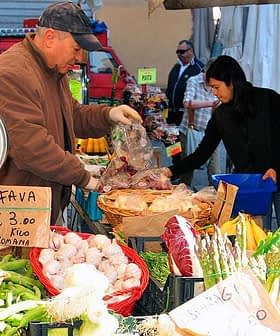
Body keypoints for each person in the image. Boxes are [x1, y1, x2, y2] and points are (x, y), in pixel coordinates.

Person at [0, 1, 142, 224]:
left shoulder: (53, 71)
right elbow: (32, 148)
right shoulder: (12, 74)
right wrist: (85, 178)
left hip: (46, 200)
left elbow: (72, 114)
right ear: (49, 38)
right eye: (76, 49)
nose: (79, 59)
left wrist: (109, 115)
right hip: (21, 211)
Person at [162, 55, 280, 230]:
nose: (214, 93)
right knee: (256, 238)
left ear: (231, 82)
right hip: (249, 186)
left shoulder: (268, 98)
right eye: (212, 88)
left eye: (217, 87)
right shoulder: (221, 115)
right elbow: (201, 154)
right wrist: (169, 171)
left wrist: (275, 166)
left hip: (277, 175)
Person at [179, 59, 221, 187]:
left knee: (215, 169)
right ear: (205, 71)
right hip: (191, 130)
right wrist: (210, 104)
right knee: (188, 168)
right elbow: (187, 102)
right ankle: (183, 193)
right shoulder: (194, 81)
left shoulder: (219, 84)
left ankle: (216, 198)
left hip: (211, 133)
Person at [166, 39, 204, 126]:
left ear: (191, 51)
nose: (179, 54)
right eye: (177, 52)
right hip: (171, 112)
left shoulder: (199, 68)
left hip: (185, 114)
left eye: (182, 52)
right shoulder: (177, 66)